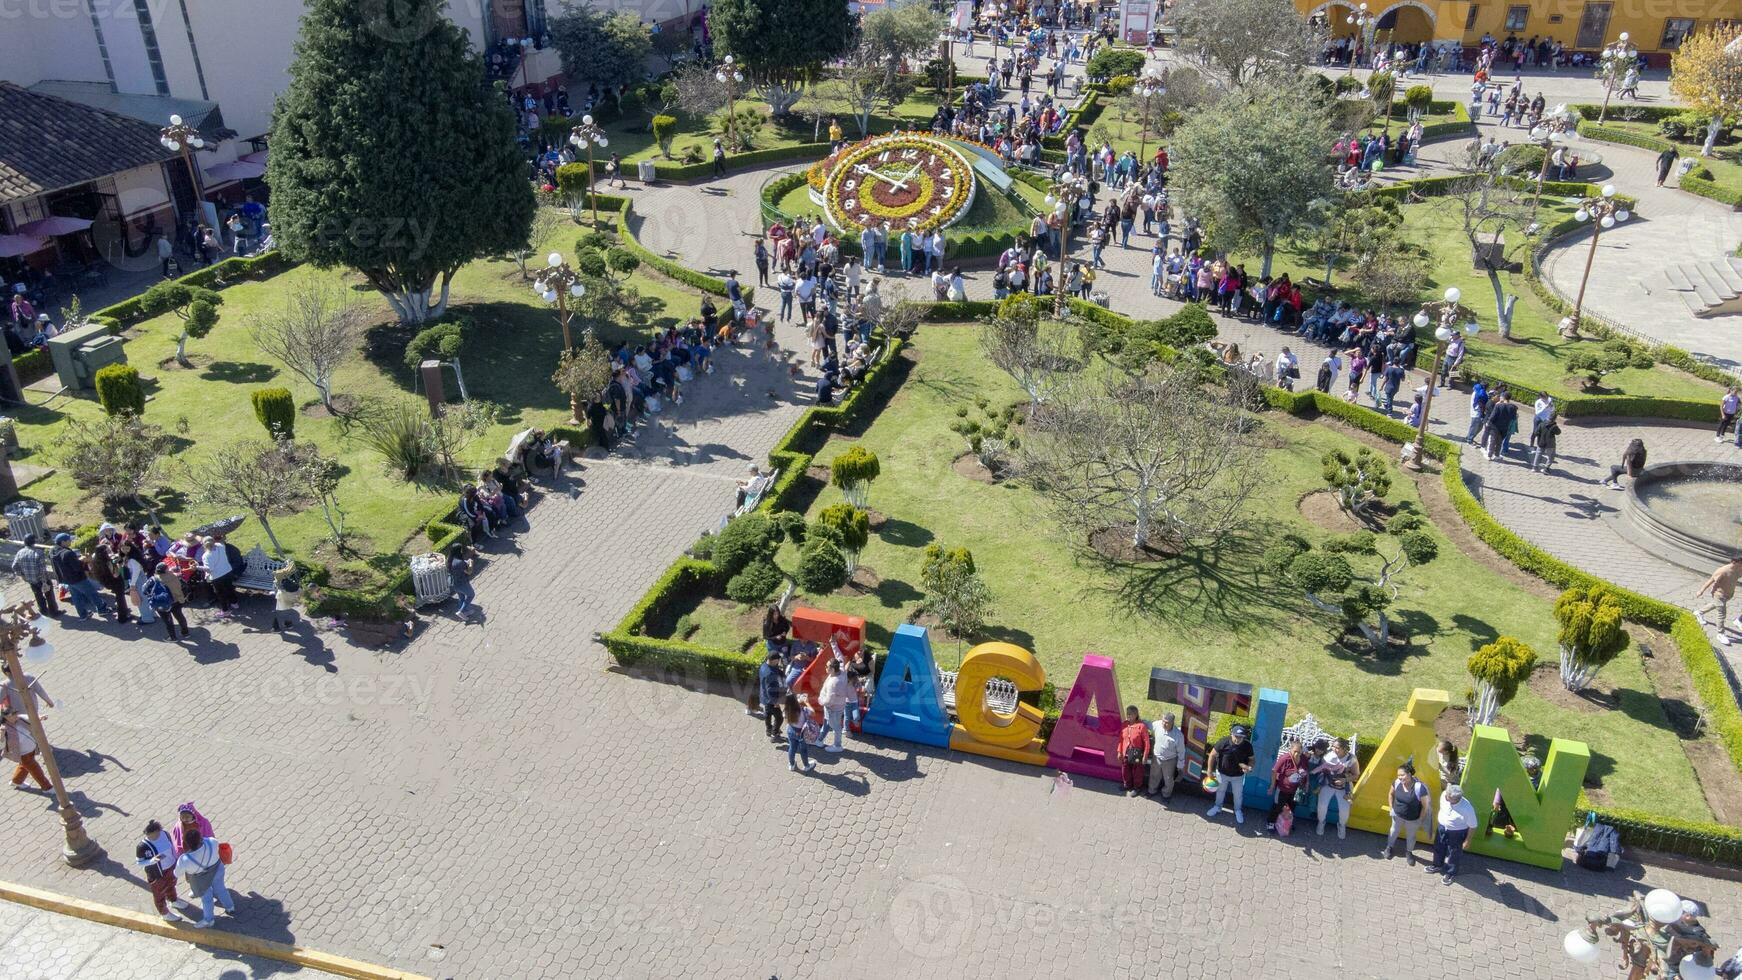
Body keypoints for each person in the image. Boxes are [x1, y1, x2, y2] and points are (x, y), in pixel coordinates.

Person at [174, 824, 233, 927]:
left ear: (187, 844)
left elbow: (177, 873)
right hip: (217, 870)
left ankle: (209, 920)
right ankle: (230, 907)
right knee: (221, 889)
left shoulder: (184, 860)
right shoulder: (212, 842)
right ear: (200, 838)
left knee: (207, 899)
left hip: (200, 880)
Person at [136, 820, 192, 922]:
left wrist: (177, 859)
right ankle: (164, 913)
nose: (153, 837)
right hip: (157, 874)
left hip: (171, 867)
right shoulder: (142, 846)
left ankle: (174, 900)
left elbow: (172, 848)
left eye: (155, 834)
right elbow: (139, 862)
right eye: (150, 835)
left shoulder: (165, 834)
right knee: (159, 894)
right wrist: (151, 861)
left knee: (171, 885)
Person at [1427, 783, 1478, 884]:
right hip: (1442, 828)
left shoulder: (1467, 808)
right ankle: (1437, 865)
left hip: (1457, 832)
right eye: (1446, 795)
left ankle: (1451, 872)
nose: (1445, 798)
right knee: (1438, 846)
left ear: (1456, 799)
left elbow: (1473, 826)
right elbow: (1448, 788)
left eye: (1448, 797)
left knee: (1454, 853)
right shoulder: (1445, 795)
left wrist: (1467, 841)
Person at [1204, 723, 1256, 824]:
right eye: (1236, 736)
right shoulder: (1223, 742)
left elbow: (1252, 760)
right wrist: (1209, 770)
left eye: (1241, 737)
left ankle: (1237, 810)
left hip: (1238, 776)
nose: (1238, 739)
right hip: (1222, 773)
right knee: (1220, 791)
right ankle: (1217, 807)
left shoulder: (1247, 746)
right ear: (1231, 734)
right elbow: (1212, 755)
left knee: (1238, 795)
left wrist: (1249, 767)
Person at [51, 532, 109, 620]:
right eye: (68, 540)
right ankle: (102, 609)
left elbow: (66, 564)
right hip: (78, 578)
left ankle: (83, 615)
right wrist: (83, 560)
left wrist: (77, 560)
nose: (70, 541)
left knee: (76, 597)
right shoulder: (68, 553)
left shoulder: (53, 551)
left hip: (67, 579)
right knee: (92, 593)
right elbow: (77, 567)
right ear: (62, 542)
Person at [1383, 762, 1432, 864]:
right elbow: (1390, 794)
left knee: (1411, 836)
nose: (1400, 778)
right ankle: (1389, 847)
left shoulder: (1419, 787)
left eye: (1402, 775)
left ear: (1409, 774)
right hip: (1397, 815)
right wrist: (1392, 809)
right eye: (1398, 775)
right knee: (1393, 832)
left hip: (1413, 818)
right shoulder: (1396, 782)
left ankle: (1409, 852)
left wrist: (1420, 819)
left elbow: (1425, 806)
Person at [1314, 736, 1359, 838]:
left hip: (1344, 787)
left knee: (1344, 810)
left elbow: (1356, 775)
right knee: (1322, 805)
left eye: (1337, 748)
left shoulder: (1351, 759)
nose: (1335, 749)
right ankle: (1321, 822)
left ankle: (1341, 825)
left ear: (1344, 748)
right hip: (1328, 784)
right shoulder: (1328, 756)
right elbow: (1322, 772)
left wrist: (1344, 780)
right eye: (1333, 747)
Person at [1266, 739, 1310, 835]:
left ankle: (1287, 822)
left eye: (1299, 752)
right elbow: (1274, 771)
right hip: (1282, 789)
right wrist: (1272, 786)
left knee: (1291, 808)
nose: (1297, 754)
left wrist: (1306, 784)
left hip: (1295, 790)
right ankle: (1270, 822)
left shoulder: (1304, 759)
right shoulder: (1284, 758)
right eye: (1295, 751)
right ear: (1291, 750)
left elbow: (1306, 772)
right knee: (1277, 806)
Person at [10, 535, 59, 616]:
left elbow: (14, 566)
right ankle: (54, 612)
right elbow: (42, 570)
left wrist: (22, 575)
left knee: (38, 595)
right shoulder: (39, 552)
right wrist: (44, 583)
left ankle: (43, 610)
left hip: (31, 580)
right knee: (49, 596)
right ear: (34, 542)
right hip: (42, 579)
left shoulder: (20, 552)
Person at [1697, 557, 1742, 646]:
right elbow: (1711, 580)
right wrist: (1701, 591)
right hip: (1719, 594)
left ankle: (1699, 612)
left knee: (1715, 605)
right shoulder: (1722, 571)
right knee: (1721, 613)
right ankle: (1720, 634)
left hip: (1728, 595)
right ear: (1735, 562)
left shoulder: (1738, 569)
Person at [2, 707, 48, 791]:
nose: (16, 715)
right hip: (23, 754)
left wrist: (40, 717)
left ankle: (16, 781)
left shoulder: (20, 718)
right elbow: (1, 744)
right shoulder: (3, 729)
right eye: (13, 714)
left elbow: (29, 718)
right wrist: (1, 734)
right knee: (35, 769)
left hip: (31, 750)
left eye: (15, 712)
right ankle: (47, 787)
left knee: (24, 766)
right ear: (6, 718)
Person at [145, 562, 191, 641]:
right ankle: (185, 633)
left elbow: (144, 590)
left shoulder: (154, 579)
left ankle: (173, 637)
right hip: (177, 600)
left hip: (163, 602)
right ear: (166, 569)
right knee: (180, 616)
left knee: (168, 620)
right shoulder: (174, 575)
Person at [1147, 712, 1184, 800]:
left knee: (1168, 779)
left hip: (1169, 760)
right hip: (1156, 758)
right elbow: (1147, 723)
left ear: (1172, 723)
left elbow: (1181, 751)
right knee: (1154, 775)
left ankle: (1166, 794)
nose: (1164, 724)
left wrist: (1180, 765)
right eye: (1163, 721)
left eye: (1167, 722)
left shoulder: (1178, 735)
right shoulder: (1157, 725)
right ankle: (1151, 791)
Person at [1116, 705, 1151, 797]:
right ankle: (1127, 785)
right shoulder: (1124, 724)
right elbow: (1121, 739)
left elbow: (1147, 742)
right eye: (1127, 714)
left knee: (1137, 772)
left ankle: (1137, 787)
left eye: (1130, 714)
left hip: (1136, 754)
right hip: (1126, 753)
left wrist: (1145, 756)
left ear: (1136, 715)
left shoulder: (1141, 726)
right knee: (1125, 770)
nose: (1128, 716)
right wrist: (1119, 752)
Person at [819, 659, 852, 753]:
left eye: (826, 666)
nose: (825, 667)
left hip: (832, 708)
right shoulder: (841, 672)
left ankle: (837, 746)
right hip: (838, 706)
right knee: (826, 722)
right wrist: (833, 644)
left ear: (832, 669)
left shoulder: (833, 683)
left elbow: (829, 701)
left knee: (836, 727)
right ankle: (819, 740)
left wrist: (820, 701)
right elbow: (839, 656)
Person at [758, 649, 786, 742]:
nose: (779, 661)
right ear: (774, 660)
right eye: (778, 659)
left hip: (764, 696)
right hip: (771, 700)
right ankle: (775, 734)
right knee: (779, 718)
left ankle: (768, 729)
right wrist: (776, 702)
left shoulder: (763, 666)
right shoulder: (771, 674)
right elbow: (770, 690)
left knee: (768, 714)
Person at [783, 696, 816, 773]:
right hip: (801, 733)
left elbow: (785, 718)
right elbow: (813, 713)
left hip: (790, 730)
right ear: (796, 702)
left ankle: (792, 765)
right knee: (803, 750)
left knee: (792, 748)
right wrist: (806, 702)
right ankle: (806, 766)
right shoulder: (803, 710)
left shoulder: (786, 710)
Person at [449, 546, 480, 623]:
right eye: (461, 550)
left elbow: (457, 567)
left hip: (454, 583)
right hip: (462, 583)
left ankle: (464, 612)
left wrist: (465, 563)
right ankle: (461, 611)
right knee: (471, 595)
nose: (462, 552)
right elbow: (469, 572)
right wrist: (471, 564)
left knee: (461, 597)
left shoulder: (450, 560)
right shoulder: (460, 562)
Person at [271, 564, 300, 631]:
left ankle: (276, 627)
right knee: (286, 610)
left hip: (281, 597)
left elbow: (277, 587)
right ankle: (288, 624)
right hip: (287, 597)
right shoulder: (289, 580)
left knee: (279, 611)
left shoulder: (279, 578)